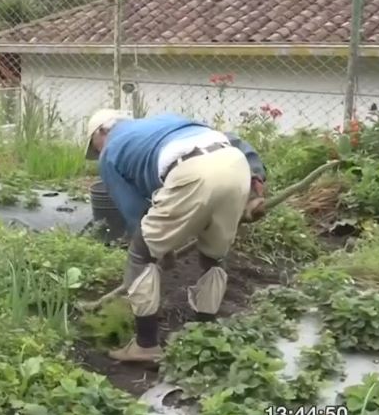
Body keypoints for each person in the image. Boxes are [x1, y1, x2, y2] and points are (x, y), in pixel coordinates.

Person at [84, 108, 268, 364]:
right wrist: (255, 180)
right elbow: (234, 140)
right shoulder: (167, 122)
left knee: (141, 253)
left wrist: (161, 249)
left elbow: (134, 211)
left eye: (95, 144)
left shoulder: (110, 151)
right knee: (215, 256)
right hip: (235, 165)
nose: (98, 152)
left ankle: (145, 346)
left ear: (102, 131)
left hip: (191, 172)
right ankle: (205, 334)